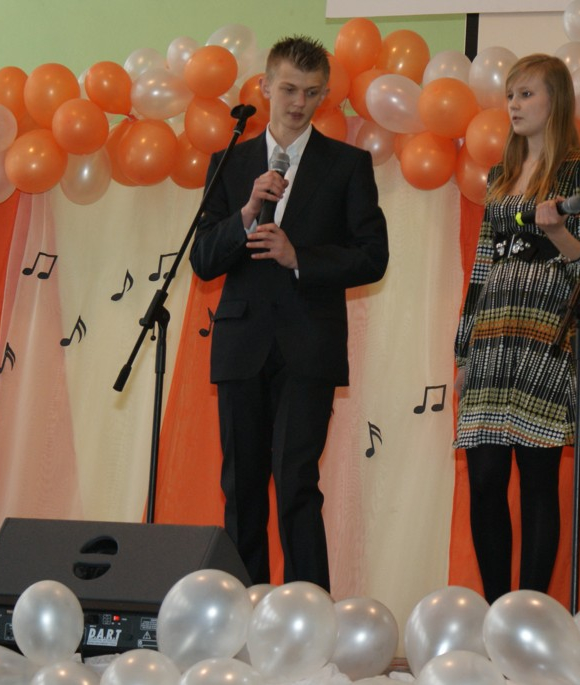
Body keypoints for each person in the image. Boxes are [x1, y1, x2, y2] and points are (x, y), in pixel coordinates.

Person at [189, 35, 388, 592]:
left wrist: (300, 257)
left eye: (312, 92)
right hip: (242, 344)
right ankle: (242, 610)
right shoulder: (229, 163)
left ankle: (309, 612)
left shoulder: (347, 164)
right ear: (265, 88)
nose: (300, 103)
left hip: (309, 345)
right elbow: (202, 259)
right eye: (289, 89)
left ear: (325, 95)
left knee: (296, 481)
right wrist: (246, 214)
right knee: (241, 486)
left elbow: (373, 256)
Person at [453, 54, 580, 603]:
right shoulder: (500, 177)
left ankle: (530, 612)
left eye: (526, 94)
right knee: (484, 480)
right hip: (492, 339)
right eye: (510, 95)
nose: (514, 106)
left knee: (538, 481)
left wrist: (560, 231)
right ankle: (498, 609)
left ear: (556, 101)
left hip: (545, 336)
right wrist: (464, 351)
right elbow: (482, 266)